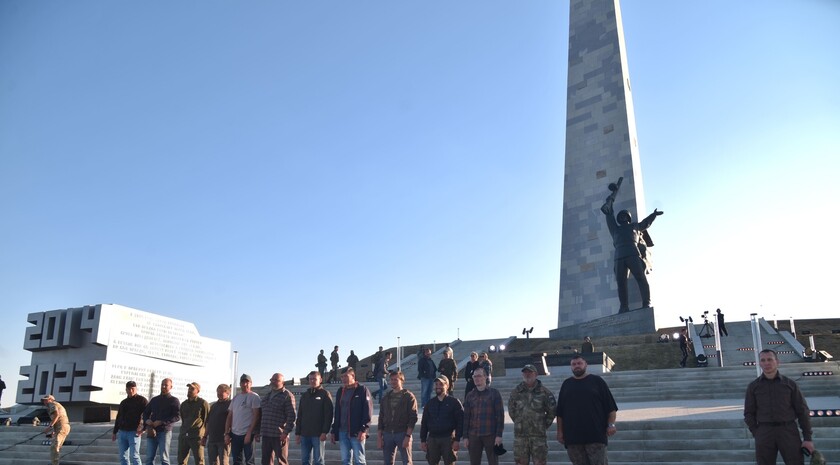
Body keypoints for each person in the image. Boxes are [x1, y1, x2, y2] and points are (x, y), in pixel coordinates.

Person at [600, 176, 664, 313]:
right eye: (621, 216)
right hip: (619, 257)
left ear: (629, 218)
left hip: (633, 254)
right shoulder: (614, 229)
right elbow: (608, 212)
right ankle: (623, 307)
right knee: (621, 284)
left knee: (641, 278)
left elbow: (645, 224)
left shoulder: (634, 226)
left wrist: (653, 215)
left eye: (625, 216)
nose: (623, 217)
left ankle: (646, 302)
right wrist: (610, 198)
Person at [744, 349, 814, 465]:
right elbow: (749, 413)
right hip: (764, 432)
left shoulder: (790, 385)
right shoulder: (753, 387)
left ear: (777, 362)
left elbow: (802, 411)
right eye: (763, 360)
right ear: (759, 363)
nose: (766, 363)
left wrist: (807, 438)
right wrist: (757, 432)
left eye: (770, 359)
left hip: (788, 431)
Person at [556, 355, 618, 465]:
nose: (577, 366)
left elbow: (611, 407)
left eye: (579, 363)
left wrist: (611, 425)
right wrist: (560, 432)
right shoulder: (566, 384)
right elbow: (560, 412)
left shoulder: (597, 381)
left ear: (586, 365)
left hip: (595, 435)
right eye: (574, 364)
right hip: (573, 437)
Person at [508, 365, 556, 465]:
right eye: (525, 372)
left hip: (538, 437)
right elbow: (511, 410)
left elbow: (552, 412)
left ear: (536, 374)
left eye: (530, 372)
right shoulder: (516, 392)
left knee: (540, 462)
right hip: (521, 437)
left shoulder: (545, 392)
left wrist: (542, 425)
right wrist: (520, 423)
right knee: (520, 462)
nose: (527, 374)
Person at [331, 368, 373, 465]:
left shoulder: (362, 390)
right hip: (342, 431)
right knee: (345, 461)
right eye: (342, 377)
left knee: (360, 461)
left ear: (353, 376)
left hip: (357, 432)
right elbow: (337, 412)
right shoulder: (340, 391)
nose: (343, 379)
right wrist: (334, 430)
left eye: (346, 376)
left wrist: (364, 429)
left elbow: (368, 411)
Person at [462, 367, 504, 465]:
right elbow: (466, 417)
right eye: (475, 376)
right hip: (473, 435)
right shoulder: (470, 395)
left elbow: (500, 416)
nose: (477, 378)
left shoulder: (494, 393)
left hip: (490, 434)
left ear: (485, 377)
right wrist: (465, 437)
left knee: (493, 462)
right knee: (474, 462)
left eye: (479, 376)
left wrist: (499, 435)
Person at [420, 376, 463, 465]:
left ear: (447, 386)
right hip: (432, 439)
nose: (438, 386)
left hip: (448, 438)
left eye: (441, 384)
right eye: (436, 384)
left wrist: (457, 439)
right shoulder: (430, 403)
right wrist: (423, 440)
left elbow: (460, 422)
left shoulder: (454, 402)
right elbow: (424, 423)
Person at [378, 371, 418, 465]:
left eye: (395, 380)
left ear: (401, 380)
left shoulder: (408, 397)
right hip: (387, 433)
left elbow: (413, 418)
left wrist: (408, 436)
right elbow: (381, 417)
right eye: (391, 380)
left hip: (402, 433)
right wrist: (379, 437)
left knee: (407, 461)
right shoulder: (386, 397)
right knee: (387, 462)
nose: (393, 382)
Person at [296, 371, 334, 465]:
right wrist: (298, 432)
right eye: (310, 379)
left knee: (318, 461)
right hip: (305, 434)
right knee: (305, 461)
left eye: (314, 379)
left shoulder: (325, 394)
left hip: (318, 434)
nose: (312, 381)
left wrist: (325, 432)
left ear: (320, 380)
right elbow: (300, 415)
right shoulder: (305, 395)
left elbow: (328, 415)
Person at [259, 373, 297, 465]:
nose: (273, 382)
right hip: (266, 434)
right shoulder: (267, 395)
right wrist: (258, 431)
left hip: (279, 435)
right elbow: (261, 414)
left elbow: (291, 416)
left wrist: (285, 432)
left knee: (282, 461)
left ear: (283, 382)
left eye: (276, 380)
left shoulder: (287, 395)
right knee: (265, 461)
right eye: (272, 379)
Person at [143, 378, 181, 465]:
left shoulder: (174, 400)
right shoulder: (154, 400)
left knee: (164, 458)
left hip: (165, 432)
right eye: (162, 384)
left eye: (166, 385)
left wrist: (162, 422)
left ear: (171, 387)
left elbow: (177, 416)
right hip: (152, 431)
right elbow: (145, 413)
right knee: (149, 458)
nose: (163, 386)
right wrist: (147, 420)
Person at [226, 374, 262, 465]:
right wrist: (227, 433)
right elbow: (229, 416)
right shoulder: (236, 398)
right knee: (236, 461)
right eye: (243, 382)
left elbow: (256, 416)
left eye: (247, 382)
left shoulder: (254, 397)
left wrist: (249, 433)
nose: (245, 384)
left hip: (248, 434)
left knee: (249, 461)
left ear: (251, 384)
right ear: (240, 384)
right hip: (235, 434)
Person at [113, 381, 148, 465]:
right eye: (129, 389)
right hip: (122, 431)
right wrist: (115, 431)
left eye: (133, 389)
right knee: (123, 457)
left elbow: (148, 414)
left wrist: (144, 429)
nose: (131, 391)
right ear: (126, 390)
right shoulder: (123, 402)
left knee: (134, 456)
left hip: (134, 432)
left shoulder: (142, 400)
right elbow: (119, 417)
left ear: (136, 389)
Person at [178, 382, 210, 465]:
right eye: (189, 388)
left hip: (196, 436)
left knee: (199, 461)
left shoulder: (203, 403)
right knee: (181, 461)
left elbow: (206, 420)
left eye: (192, 389)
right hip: (184, 435)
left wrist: (204, 435)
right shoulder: (184, 404)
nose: (189, 390)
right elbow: (183, 419)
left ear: (197, 391)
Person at [204, 384, 232, 465]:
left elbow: (232, 420)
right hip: (212, 439)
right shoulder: (213, 406)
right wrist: (205, 436)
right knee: (213, 463)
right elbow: (208, 422)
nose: (219, 394)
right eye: (217, 392)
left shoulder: (230, 404)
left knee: (224, 462)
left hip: (223, 440)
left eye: (221, 392)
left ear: (227, 393)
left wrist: (228, 434)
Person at [41, 394, 70, 465]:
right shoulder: (54, 405)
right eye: (43, 400)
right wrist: (53, 431)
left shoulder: (52, 404)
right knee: (56, 447)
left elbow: (57, 415)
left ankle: (55, 464)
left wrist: (50, 427)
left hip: (62, 427)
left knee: (54, 446)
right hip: (62, 427)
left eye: (46, 400)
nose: (44, 402)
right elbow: (57, 419)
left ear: (51, 400)